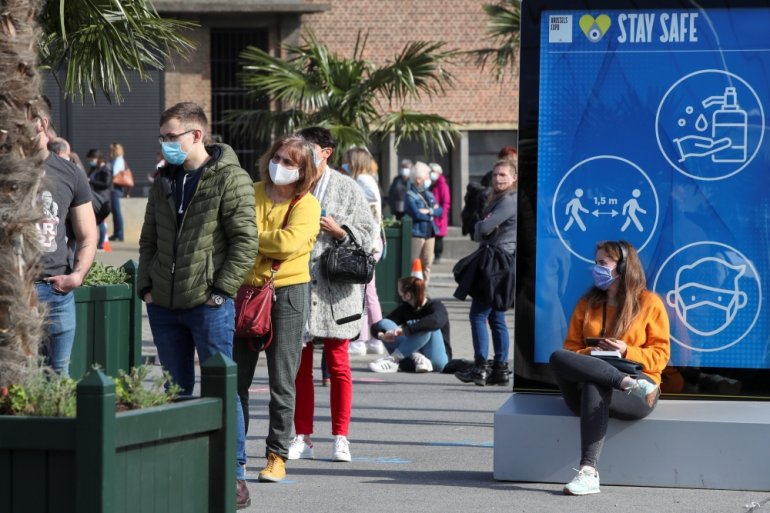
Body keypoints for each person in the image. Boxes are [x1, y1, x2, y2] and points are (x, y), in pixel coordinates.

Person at [137, 102, 258, 509]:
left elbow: (245, 242)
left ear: (196, 135)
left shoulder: (231, 178)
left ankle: (234, 474)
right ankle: (179, 466)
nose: (165, 144)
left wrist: (220, 290)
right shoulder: (164, 179)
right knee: (174, 392)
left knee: (222, 391)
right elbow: (149, 236)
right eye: (163, 137)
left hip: (208, 305)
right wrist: (146, 287)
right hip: (163, 306)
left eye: (172, 137)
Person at [549, 240, 670, 496]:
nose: (597, 269)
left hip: (641, 391)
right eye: (596, 263)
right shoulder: (587, 304)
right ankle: (624, 383)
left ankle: (589, 472)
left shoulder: (650, 304)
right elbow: (570, 353)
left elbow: (661, 356)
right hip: (612, 388)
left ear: (623, 267)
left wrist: (626, 350)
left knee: (596, 384)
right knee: (558, 357)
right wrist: (593, 353)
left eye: (603, 263)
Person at [234, 136, 321, 483]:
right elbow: (229, 230)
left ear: (303, 171)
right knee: (235, 379)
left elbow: (288, 244)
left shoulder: (307, 204)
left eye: (289, 162)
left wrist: (248, 237)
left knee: (281, 381)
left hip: (287, 294)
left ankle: (276, 454)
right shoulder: (251, 191)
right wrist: (252, 237)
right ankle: (234, 453)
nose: (280, 166)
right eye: (277, 158)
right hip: (244, 292)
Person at [288, 127, 374, 464]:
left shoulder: (347, 187)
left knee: (338, 364)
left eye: (309, 147)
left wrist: (342, 232)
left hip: (337, 288)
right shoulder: (292, 182)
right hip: (297, 281)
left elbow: (368, 233)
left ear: (326, 151)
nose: (303, 153)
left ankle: (341, 436)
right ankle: (302, 436)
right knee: (300, 365)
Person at [32, 97, 98, 376]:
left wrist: (77, 276)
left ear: (41, 124)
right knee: (13, 381)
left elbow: (88, 234)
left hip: (55, 291)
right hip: (10, 293)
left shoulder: (69, 172)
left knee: (57, 377)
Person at [454, 159, 517, 386]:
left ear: (514, 179)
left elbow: (482, 229)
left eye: (503, 176)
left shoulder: (508, 201)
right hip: (499, 259)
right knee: (496, 315)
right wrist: (484, 226)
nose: (498, 179)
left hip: (496, 261)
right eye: (495, 175)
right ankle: (500, 368)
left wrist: (484, 225)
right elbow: (481, 229)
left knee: (478, 315)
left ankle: (480, 366)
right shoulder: (501, 200)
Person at [368, 275, 451, 373]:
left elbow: (436, 321)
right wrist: (381, 336)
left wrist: (405, 330)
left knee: (423, 325)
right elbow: (378, 326)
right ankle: (416, 355)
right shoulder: (405, 308)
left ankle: (393, 359)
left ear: (407, 295)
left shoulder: (435, 306)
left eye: (399, 289)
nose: (397, 291)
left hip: (436, 362)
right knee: (385, 323)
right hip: (410, 362)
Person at [348, 147, 386, 357]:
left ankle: (361, 340)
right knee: (370, 293)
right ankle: (375, 338)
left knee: (361, 294)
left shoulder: (361, 182)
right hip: (372, 244)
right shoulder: (369, 180)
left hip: (366, 244)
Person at [404, 161, 442, 284]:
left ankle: (424, 291)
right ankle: (413, 289)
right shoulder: (410, 195)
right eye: (426, 176)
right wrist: (431, 213)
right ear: (418, 179)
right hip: (417, 233)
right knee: (414, 263)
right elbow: (416, 214)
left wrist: (428, 211)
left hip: (430, 233)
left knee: (427, 263)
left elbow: (440, 210)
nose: (428, 179)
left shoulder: (429, 193)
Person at [85, 149, 112, 250]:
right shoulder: (94, 168)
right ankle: (97, 243)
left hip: (103, 199)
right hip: (95, 197)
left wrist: (92, 181)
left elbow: (106, 184)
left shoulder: (106, 168)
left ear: (97, 158)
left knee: (100, 221)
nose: (90, 161)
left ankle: (101, 244)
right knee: (96, 221)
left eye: (91, 159)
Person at [428, 162, 451, 264]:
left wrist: (441, 214)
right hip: (432, 215)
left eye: (433, 171)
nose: (431, 173)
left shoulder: (442, 185)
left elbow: (446, 202)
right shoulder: (432, 184)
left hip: (439, 217)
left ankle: (438, 256)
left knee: (438, 239)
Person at [108, 142, 126, 241]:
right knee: (115, 212)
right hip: (114, 188)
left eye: (111, 149)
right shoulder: (115, 160)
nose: (110, 151)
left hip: (116, 188)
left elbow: (114, 172)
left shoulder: (118, 160)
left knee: (117, 211)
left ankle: (119, 234)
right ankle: (116, 234)